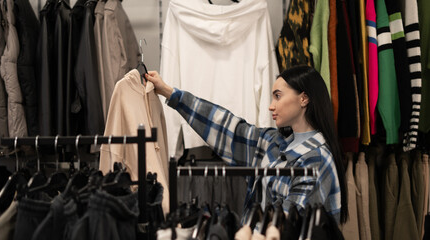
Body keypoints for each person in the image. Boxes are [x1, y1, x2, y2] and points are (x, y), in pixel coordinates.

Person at [145, 65, 348, 224]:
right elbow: (226, 127)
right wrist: (171, 93)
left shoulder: (317, 160)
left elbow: (290, 226)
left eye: (278, 96)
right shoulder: (273, 143)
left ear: (303, 98)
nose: (270, 106)